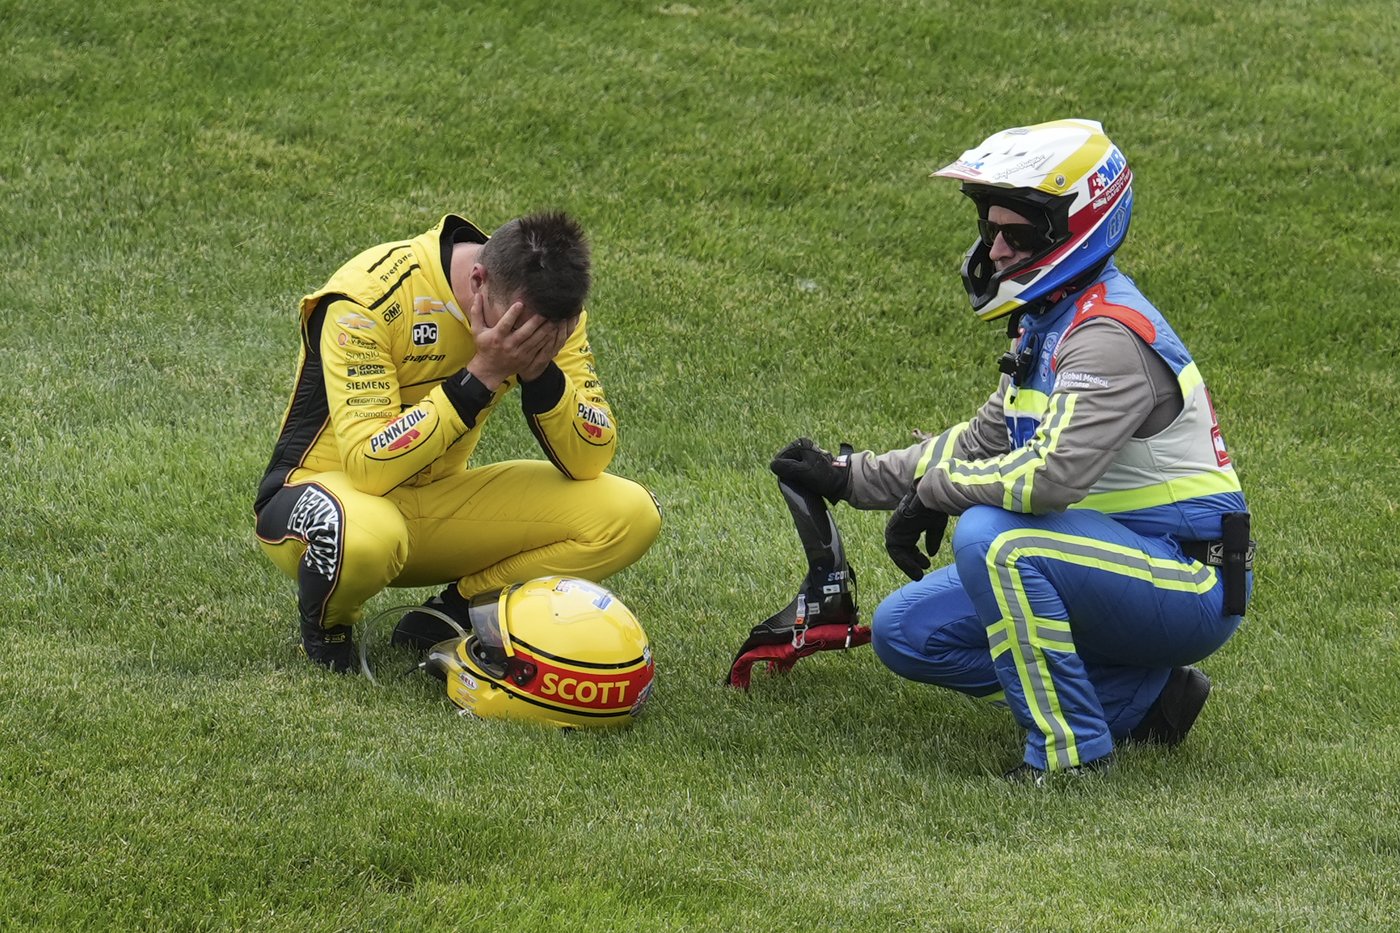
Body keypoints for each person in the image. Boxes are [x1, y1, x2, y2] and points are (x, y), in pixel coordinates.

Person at [771, 119, 1252, 782]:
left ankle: (1069, 750)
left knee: (996, 538)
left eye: (1017, 234)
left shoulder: (1106, 336)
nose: (994, 249)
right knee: (905, 630)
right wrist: (850, 476)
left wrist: (938, 492)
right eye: (990, 228)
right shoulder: (1049, 324)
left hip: (1190, 579)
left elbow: (1049, 480)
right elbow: (978, 442)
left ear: (1075, 230)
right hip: (1114, 563)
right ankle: (1144, 698)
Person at [254, 211, 662, 671]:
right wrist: (482, 374)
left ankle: (450, 614)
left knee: (629, 515)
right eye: (519, 328)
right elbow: (369, 466)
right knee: (366, 536)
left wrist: (540, 371)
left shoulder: (549, 312)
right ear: (479, 280)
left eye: (543, 335)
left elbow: (590, 457)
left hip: (430, 507)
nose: (528, 339)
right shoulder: (367, 297)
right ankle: (330, 624)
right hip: (324, 502)